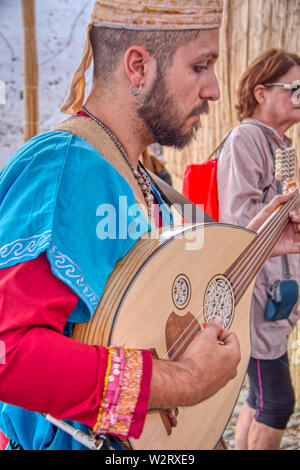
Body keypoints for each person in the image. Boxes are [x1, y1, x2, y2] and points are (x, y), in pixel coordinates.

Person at [0, 1, 299, 451]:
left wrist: (260, 238)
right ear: (138, 66)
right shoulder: (65, 167)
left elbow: (177, 282)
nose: (215, 89)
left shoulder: (143, 180)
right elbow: (9, 355)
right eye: (200, 66)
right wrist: (186, 379)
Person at [217, 49, 300, 450]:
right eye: (295, 88)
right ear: (262, 92)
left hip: (275, 297)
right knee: (279, 402)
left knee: (260, 397)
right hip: (256, 293)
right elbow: (240, 220)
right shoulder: (247, 138)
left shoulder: (279, 143)